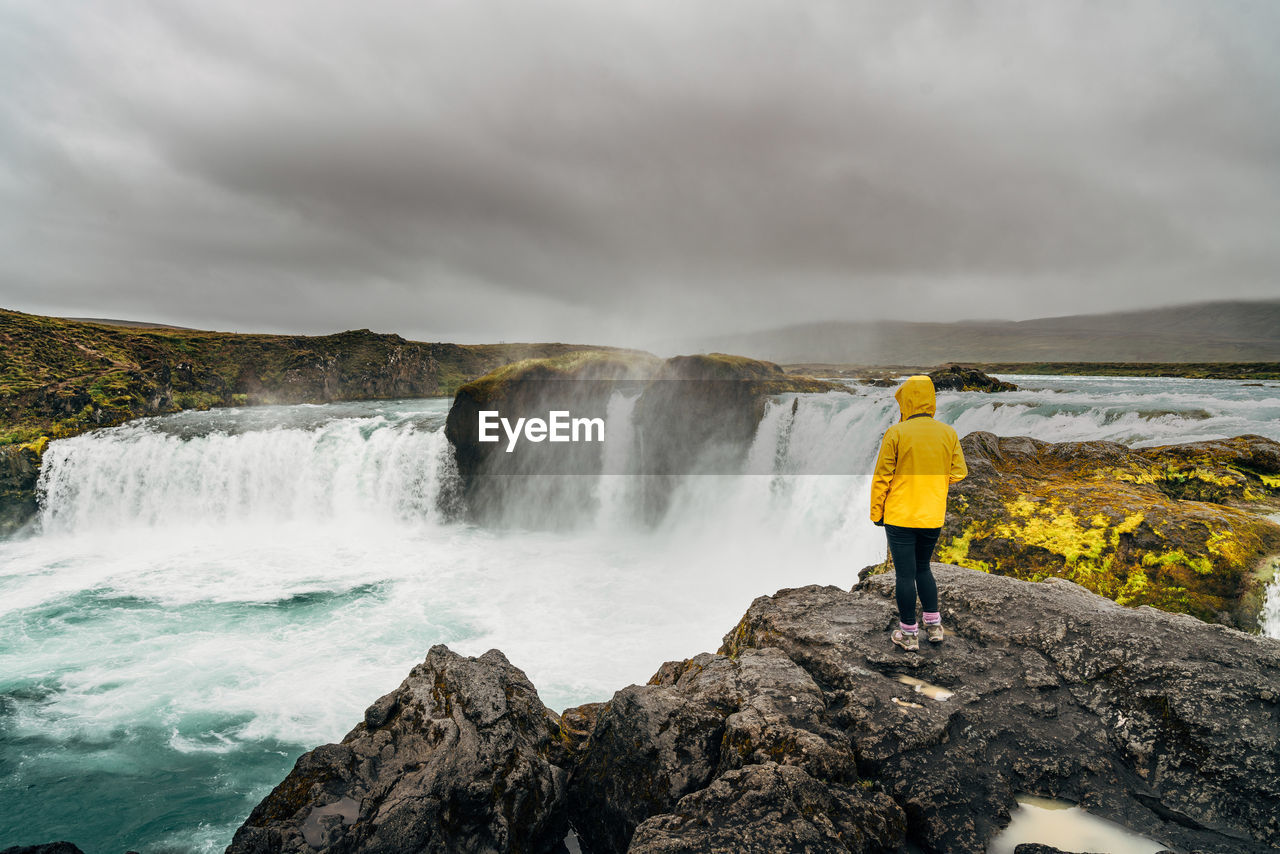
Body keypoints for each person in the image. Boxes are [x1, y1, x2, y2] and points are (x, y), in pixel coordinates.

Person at [869, 375, 967, 652]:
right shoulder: (948, 433)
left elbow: (882, 478)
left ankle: (909, 633)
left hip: (900, 515)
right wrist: (934, 483)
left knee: (904, 574)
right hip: (932, 514)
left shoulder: (896, 433)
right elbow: (959, 472)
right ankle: (934, 627)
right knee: (923, 569)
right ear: (931, 401)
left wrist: (877, 513)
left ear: (907, 402)